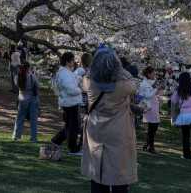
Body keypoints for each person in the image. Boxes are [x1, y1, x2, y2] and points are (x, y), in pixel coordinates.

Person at [81, 47, 137, 192]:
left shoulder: (89, 82)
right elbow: (132, 82)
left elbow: (87, 75)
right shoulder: (124, 86)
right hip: (119, 130)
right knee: (120, 171)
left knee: (97, 169)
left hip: (96, 129)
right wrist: (118, 68)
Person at [51, 51, 83, 155]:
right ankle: (72, 148)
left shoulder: (66, 72)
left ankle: (56, 140)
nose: (74, 62)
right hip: (70, 103)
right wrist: (80, 90)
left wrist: (79, 77)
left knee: (70, 126)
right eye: (73, 60)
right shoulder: (64, 73)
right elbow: (70, 89)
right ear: (68, 62)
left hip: (70, 102)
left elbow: (74, 79)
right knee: (73, 127)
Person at [12, 61, 39, 142]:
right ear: (28, 68)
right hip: (32, 99)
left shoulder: (17, 76)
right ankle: (33, 138)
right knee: (33, 119)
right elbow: (37, 85)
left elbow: (17, 85)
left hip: (22, 98)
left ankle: (17, 136)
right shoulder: (31, 76)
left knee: (20, 118)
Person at [138, 66, 161, 153]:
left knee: (153, 127)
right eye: (153, 73)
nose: (154, 75)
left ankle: (148, 145)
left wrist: (157, 90)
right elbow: (148, 95)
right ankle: (150, 146)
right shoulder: (144, 84)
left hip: (153, 106)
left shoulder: (149, 82)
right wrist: (156, 89)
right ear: (148, 74)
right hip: (149, 107)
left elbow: (152, 93)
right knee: (153, 127)